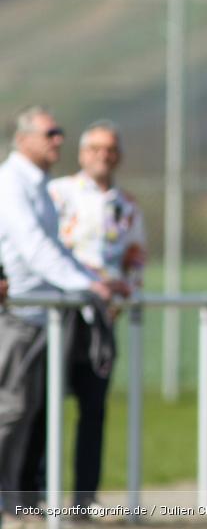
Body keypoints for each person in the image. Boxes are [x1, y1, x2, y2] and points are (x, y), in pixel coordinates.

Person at [0, 106, 128, 521]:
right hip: (18, 314)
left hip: (48, 314)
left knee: (31, 411)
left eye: (60, 132)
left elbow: (55, 249)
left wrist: (94, 285)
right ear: (24, 139)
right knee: (11, 411)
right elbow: (33, 248)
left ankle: (27, 503)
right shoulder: (14, 183)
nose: (59, 139)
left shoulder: (39, 186)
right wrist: (85, 286)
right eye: (50, 133)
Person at [45, 120, 145, 512]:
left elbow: (136, 256)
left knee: (94, 409)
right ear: (82, 153)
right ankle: (34, 495)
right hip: (59, 314)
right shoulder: (58, 193)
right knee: (42, 407)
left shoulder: (127, 204)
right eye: (96, 148)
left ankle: (84, 500)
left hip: (101, 318)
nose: (104, 156)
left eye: (110, 149)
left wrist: (126, 291)